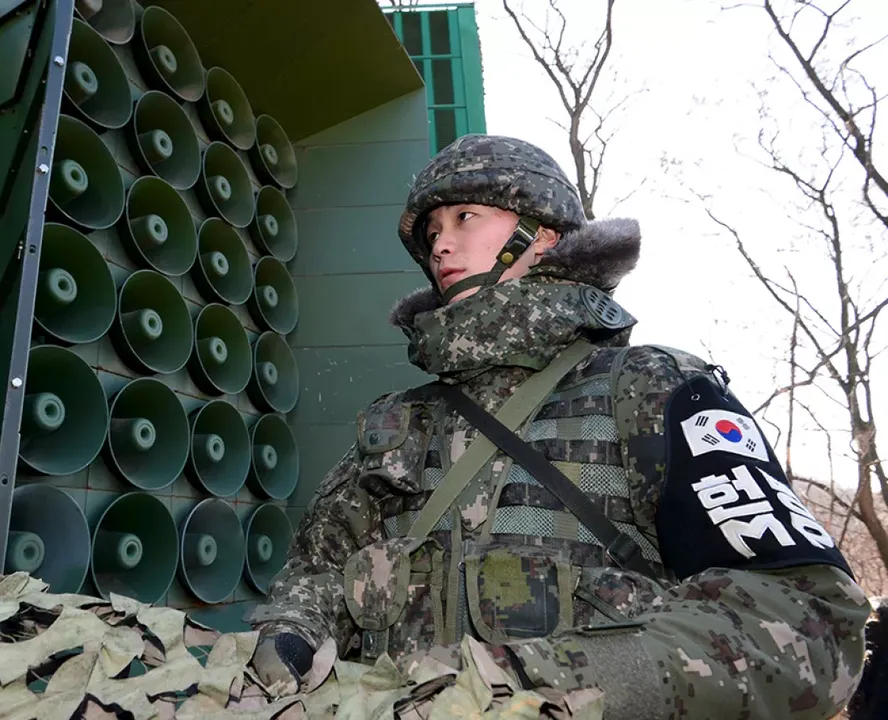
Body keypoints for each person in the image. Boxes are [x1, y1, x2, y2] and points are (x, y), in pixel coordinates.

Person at [244, 134, 871, 718]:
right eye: (432, 229)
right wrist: (293, 635)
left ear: (542, 236)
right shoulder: (396, 422)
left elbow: (805, 620)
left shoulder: (652, 387)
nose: (440, 245)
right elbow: (318, 573)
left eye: (466, 218)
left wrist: (530, 684)